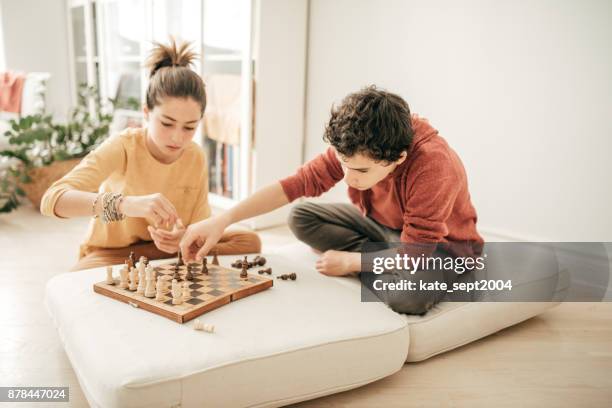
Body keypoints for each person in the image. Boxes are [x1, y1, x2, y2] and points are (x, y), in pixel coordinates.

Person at [179, 85, 483, 314]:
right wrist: (224, 219)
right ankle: (382, 261)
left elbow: (417, 251)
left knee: (409, 297)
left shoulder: (434, 165)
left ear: (398, 158)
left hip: (441, 250)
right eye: (343, 164)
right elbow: (297, 184)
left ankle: (373, 264)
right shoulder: (358, 140)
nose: (349, 179)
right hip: (385, 230)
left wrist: (352, 262)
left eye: (361, 171)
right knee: (300, 217)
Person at [40, 39, 260, 271]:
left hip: (170, 250)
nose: (177, 138)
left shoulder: (195, 156)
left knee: (248, 240)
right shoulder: (123, 146)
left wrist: (182, 236)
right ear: (146, 113)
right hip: (116, 254)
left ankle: (161, 265)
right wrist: (124, 204)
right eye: (167, 123)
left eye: (189, 127)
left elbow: (200, 226)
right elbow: (52, 199)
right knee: (79, 275)